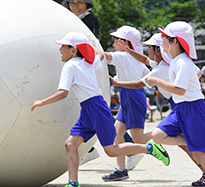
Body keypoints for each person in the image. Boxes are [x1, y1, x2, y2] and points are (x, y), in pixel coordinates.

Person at [31, 32, 172, 187]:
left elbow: (63, 93)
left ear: (73, 50)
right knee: (70, 145)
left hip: (96, 109)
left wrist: (42, 102)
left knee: (111, 150)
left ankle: (149, 148)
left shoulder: (70, 66)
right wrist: (90, 43)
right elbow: (99, 54)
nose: (60, 50)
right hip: (88, 109)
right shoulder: (88, 62)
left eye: (63, 47)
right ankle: (73, 183)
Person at [111, 32, 205, 186]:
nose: (147, 51)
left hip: (178, 103)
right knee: (183, 144)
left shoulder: (165, 67)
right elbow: (148, 61)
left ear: (158, 50)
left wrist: (120, 84)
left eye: (150, 48)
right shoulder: (167, 63)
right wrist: (129, 51)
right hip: (180, 102)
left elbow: (140, 84)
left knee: (181, 143)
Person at [142, 21, 205, 187]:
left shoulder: (182, 62)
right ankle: (195, 138)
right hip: (181, 108)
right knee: (157, 136)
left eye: (164, 37)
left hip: (193, 108)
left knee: (200, 156)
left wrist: (156, 80)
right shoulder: (177, 60)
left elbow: (180, 90)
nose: (161, 41)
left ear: (174, 41)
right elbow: (198, 73)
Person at [102, 26, 170, 182]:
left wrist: (88, 44)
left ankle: (153, 147)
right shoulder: (135, 58)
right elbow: (148, 76)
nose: (113, 43)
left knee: (137, 138)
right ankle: (120, 170)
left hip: (132, 95)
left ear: (123, 42)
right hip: (130, 96)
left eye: (115, 40)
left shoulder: (122, 56)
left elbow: (103, 56)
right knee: (117, 134)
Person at [62, 0, 101, 165]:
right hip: (81, 68)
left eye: (79, 2)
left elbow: (90, 46)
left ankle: (129, 146)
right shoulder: (73, 20)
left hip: (86, 69)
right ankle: (89, 149)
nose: (75, 6)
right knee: (91, 110)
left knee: (96, 110)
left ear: (87, 4)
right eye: (72, 3)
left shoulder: (89, 20)